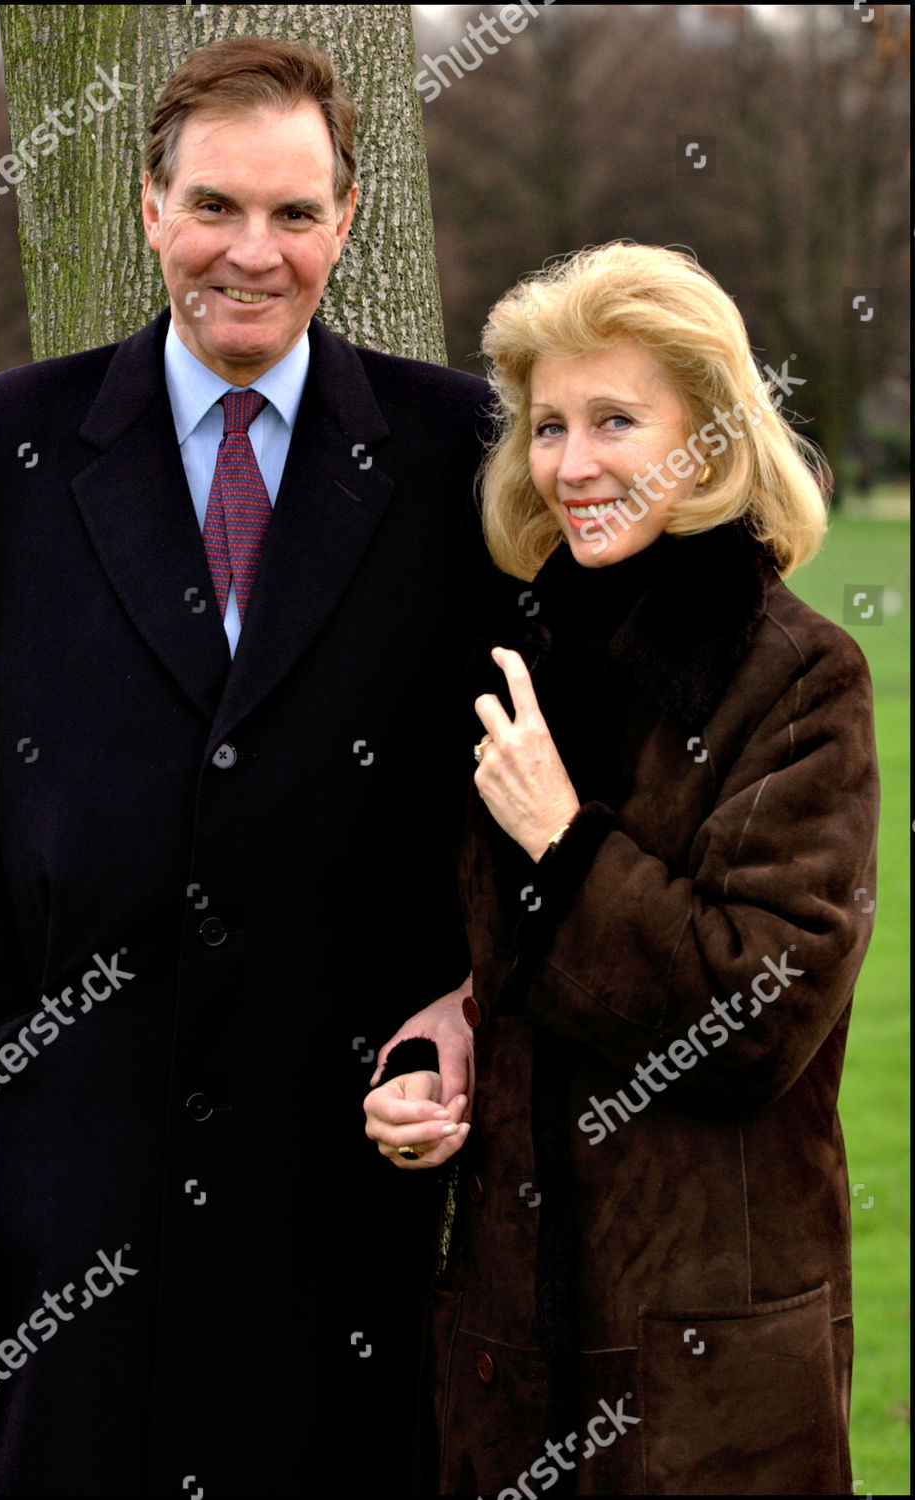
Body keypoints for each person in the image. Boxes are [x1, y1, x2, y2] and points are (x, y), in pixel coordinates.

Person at [0, 36, 496, 1497]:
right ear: (149, 207)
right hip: (67, 1178)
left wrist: (466, 1011)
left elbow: (520, 780)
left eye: (291, 216)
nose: (250, 254)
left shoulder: (454, 450)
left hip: (349, 1174)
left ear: (346, 223)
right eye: (214, 207)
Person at [363, 243, 879, 1497]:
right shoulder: (520, 650)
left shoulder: (796, 678)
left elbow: (755, 1018)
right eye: (548, 425)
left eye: (614, 420)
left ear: (708, 433)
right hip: (500, 1351)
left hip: (705, 1372)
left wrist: (565, 838)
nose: (572, 463)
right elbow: (507, 951)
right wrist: (443, 1039)